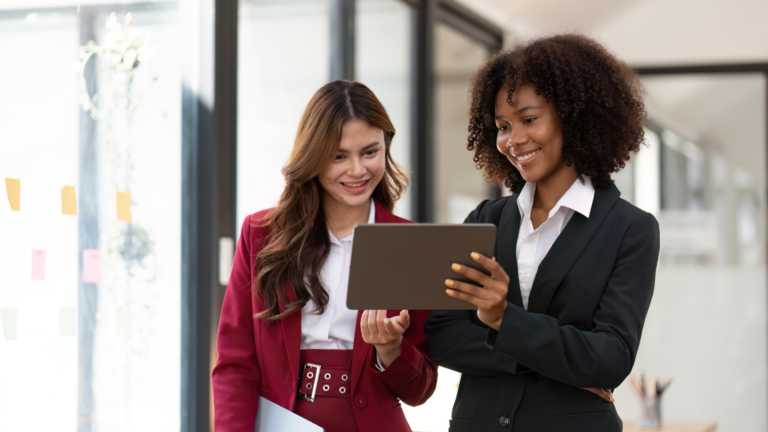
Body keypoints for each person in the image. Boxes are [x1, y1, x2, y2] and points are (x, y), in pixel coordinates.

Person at [425, 34, 660, 431]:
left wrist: (501, 320)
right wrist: (544, 358)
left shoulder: (630, 229)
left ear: (573, 116)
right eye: (502, 126)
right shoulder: (486, 219)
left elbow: (610, 358)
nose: (514, 140)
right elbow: (442, 334)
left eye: (529, 119)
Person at [213, 80, 437, 432]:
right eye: (338, 156)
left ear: (386, 147)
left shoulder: (410, 246)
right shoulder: (260, 235)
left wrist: (391, 348)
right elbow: (235, 364)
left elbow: (420, 389)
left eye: (370, 151)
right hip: (281, 420)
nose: (358, 170)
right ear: (313, 157)